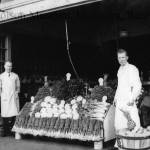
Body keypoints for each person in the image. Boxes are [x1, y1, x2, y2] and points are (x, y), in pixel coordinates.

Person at [113, 49, 142, 148]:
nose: (121, 60)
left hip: (129, 101)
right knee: (119, 124)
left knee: (132, 123)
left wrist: (132, 98)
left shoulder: (132, 68)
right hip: (120, 101)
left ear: (127, 57)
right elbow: (119, 86)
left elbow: (137, 85)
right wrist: (115, 98)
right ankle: (121, 145)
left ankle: (135, 145)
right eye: (119, 58)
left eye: (123, 57)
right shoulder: (119, 70)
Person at [0, 61, 20, 136]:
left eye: (10, 66)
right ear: (4, 66)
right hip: (4, 97)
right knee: (5, 114)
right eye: (8, 66)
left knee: (14, 114)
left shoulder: (15, 76)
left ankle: (13, 130)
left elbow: (18, 87)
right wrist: (2, 96)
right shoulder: (1, 76)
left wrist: (16, 93)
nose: (9, 68)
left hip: (13, 97)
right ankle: (5, 131)